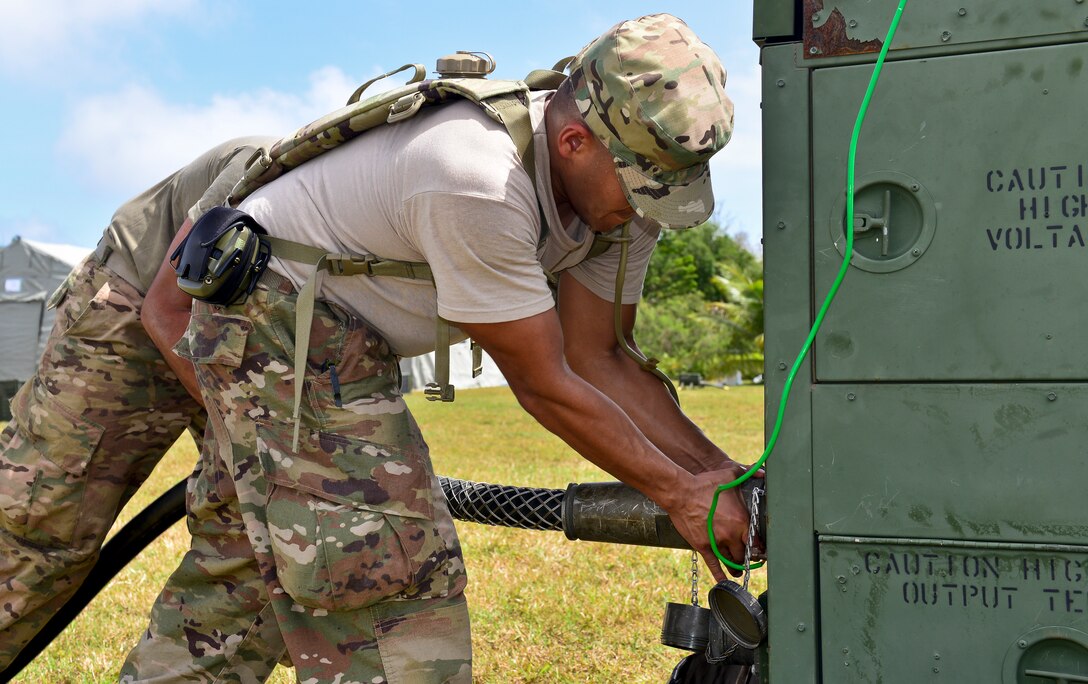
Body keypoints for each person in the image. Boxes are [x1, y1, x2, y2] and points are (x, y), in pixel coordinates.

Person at [125, 13, 754, 683]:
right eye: (643, 191)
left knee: (251, 572)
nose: (652, 210)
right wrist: (681, 495)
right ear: (574, 141)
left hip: (339, 342)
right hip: (277, 322)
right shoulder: (475, 177)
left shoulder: (616, 195)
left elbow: (602, 360)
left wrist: (718, 476)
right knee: (383, 575)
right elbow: (545, 383)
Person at [0, 136, 276, 670]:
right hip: (134, 303)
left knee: (261, 527)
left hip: (244, 327)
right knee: (42, 530)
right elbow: (165, 307)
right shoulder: (282, 171)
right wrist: (239, 421)